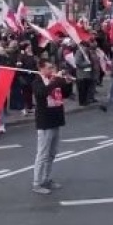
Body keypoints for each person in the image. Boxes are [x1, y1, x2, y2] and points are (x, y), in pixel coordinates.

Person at [32, 59, 73, 195]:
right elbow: (42, 93)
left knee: (52, 153)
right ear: (42, 69)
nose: (51, 70)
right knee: (42, 154)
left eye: (52, 68)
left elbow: (66, 94)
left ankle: (46, 178)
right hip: (45, 121)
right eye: (49, 68)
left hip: (56, 119)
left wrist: (67, 82)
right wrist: (55, 80)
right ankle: (37, 183)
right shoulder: (38, 82)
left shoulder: (54, 80)